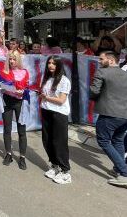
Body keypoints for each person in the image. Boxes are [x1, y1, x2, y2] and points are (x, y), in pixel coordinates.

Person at [89, 51, 127, 187]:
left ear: (111, 60)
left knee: (103, 141)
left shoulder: (102, 73)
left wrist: (103, 99)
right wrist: (126, 101)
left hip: (110, 114)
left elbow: (94, 92)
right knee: (118, 140)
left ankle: (126, 173)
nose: (99, 61)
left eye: (101, 59)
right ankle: (118, 169)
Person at [39, 56, 72, 184]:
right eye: (49, 63)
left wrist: (46, 98)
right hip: (46, 111)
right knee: (47, 140)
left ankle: (65, 171)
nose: (51, 66)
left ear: (59, 65)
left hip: (59, 113)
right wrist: (44, 97)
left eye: (54, 63)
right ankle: (54, 165)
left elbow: (61, 100)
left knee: (59, 142)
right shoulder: (47, 78)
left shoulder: (64, 81)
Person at [0, 50, 30, 169]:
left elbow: (27, 87)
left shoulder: (25, 72)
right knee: (7, 129)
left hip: (20, 102)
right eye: (10, 59)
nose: (12, 61)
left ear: (18, 60)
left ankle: (22, 157)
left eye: (14, 59)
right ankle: (8, 154)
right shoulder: (4, 72)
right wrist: (8, 89)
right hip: (7, 101)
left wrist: (23, 91)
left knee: (22, 130)